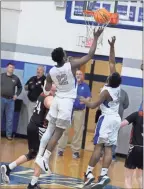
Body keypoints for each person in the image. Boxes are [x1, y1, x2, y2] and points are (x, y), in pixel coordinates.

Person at [35, 27, 104, 174]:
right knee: (59, 132)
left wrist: (49, 86)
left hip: (57, 100)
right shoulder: (70, 65)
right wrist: (96, 37)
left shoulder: (51, 71)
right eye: (65, 53)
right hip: (66, 103)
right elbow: (90, 54)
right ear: (63, 57)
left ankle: (39, 155)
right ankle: (45, 159)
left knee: (50, 129)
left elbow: (47, 88)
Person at [80, 36, 122, 188]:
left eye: (110, 75)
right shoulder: (117, 86)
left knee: (98, 146)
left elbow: (93, 105)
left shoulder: (106, 91)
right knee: (109, 148)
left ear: (110, 80)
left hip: (107, 119)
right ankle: (104, 175)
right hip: (116, 119)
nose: (110, 72)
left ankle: (89, 173)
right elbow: (112, 61)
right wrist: (111, 46)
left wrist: (84, 101)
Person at [1, 84, 56, 189]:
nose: (55, 91)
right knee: (41, 157)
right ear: (50, 90)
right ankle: (32, 184)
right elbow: (50, 104)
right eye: (54, 90)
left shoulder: (41, 94)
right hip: (39, 129)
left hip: (32, 126)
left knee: (32, 154)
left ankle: (9, 167)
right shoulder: (49, 97)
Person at [58, 70, 91, 159]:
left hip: (79, 111)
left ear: (83, 76)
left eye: (80, 74)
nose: (78, 76)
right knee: (65, 130)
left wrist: (85, 101)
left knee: (78, 132)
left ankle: (75, 151)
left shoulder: (86, 86)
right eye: (77, 74)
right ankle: (60, 149)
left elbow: (88, 98)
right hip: (68, 111)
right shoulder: (71, 85)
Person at [120, 109, 143, 189]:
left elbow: (122, 124)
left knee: (128, 177)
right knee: (140, 177)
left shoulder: (137, 114)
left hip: (135, 148)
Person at [1, 62, 22, 140]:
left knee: (10, 118)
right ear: (7, 68)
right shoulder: (1, 76)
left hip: (11, 101)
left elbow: (20, 87)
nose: (11, 69)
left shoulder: (16, 78)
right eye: (10, 67)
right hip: (1, 99)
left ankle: (8, 135)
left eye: (13, 68)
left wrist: (16, 95)